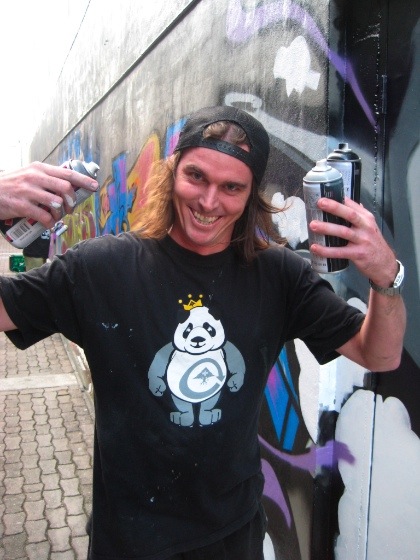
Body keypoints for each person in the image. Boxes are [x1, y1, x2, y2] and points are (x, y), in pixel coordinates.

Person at [0, 106, 406, 560]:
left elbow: (381, 355)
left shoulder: (279, 276)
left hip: (232, 538)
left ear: (251, 195)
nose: (209, 202)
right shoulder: (101, 267)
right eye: (196, 177)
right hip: (129, 540)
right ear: (173, 173)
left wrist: (386, 278)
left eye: (232, 187)